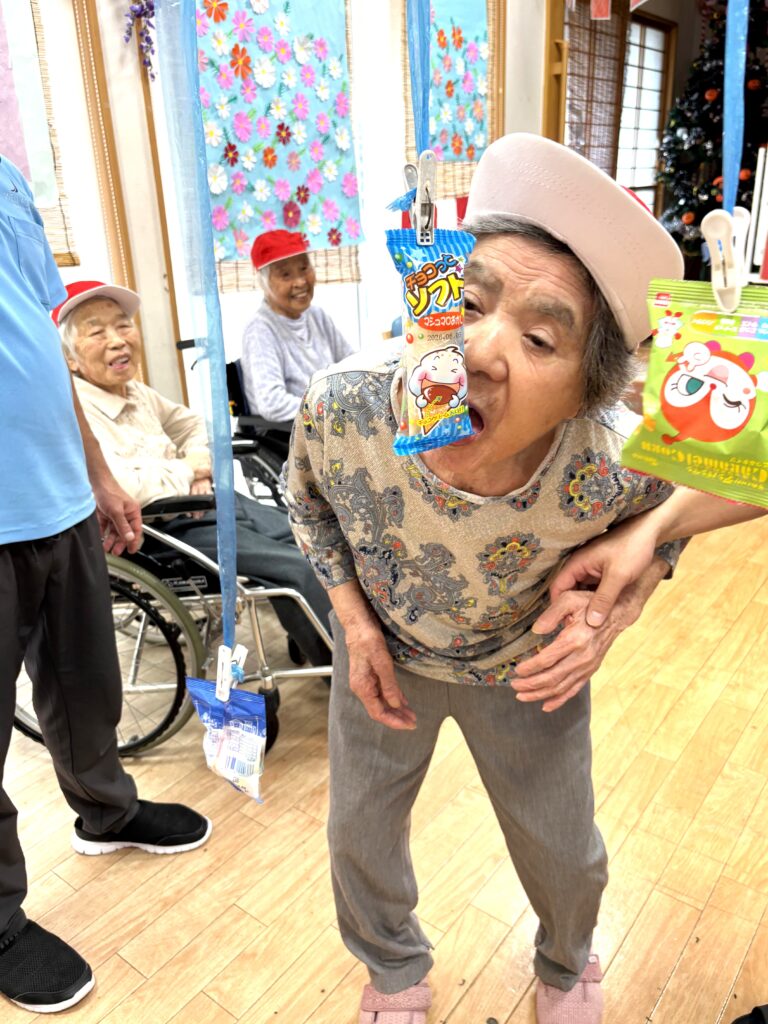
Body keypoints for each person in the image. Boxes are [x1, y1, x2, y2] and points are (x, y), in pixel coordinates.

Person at [284, 132, 686, 1024]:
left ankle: (567, 962)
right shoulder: (347, 407)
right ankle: (393, 971)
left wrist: (616, 607)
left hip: (525, 671)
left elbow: (670, 523)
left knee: (563, 848)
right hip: (385, 657)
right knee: (358, 833)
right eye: (467, 302)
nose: (477, 350)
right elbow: (305, 499)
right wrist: (355, 625)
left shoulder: (610, 461)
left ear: (589, 392)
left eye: (540, 337)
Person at [0, 156, 211, 1014]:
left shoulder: (8, 179)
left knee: (88, 688)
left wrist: (95, 472)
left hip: (58, 498)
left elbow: (37, 347)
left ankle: (107, 812)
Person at [55, 281, 332, 668]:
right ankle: (342, 671)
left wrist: (199, 465)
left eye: (123, 325)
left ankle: (323, 641)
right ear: (69, 359)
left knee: (316, 538)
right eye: (97, 332)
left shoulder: (135, 391)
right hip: (162, 530)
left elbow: (198, 427)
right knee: (297, 567)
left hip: (207, 503)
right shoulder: (77, 412)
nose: (117, 340)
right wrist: (190, 469)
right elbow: (125, 489)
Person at [240, 229, 354, 423]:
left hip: (330, 422)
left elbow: (352, 364)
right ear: (263, 282)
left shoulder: (317, 316)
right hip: (294, 432)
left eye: (304, 268)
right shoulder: (260, 330)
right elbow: (272, 403)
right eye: (286, 275)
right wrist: (333, 407)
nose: (301, 282)